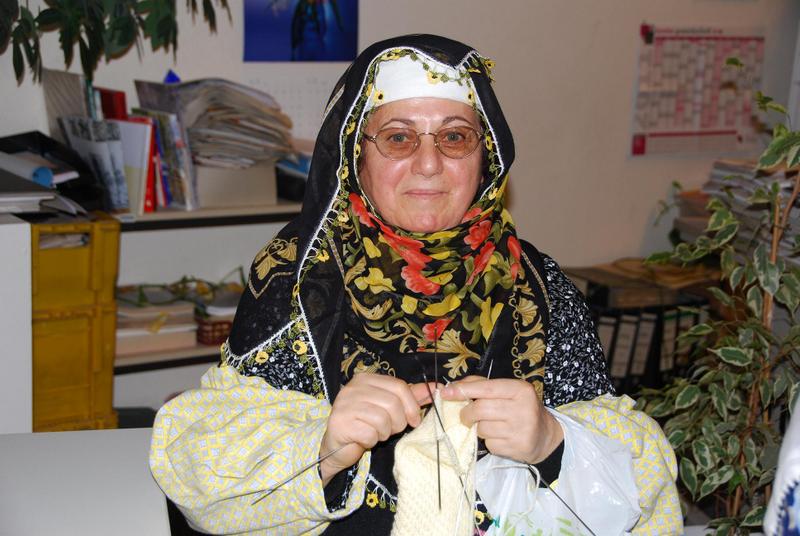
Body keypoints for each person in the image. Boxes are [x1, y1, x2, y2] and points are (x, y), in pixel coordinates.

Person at [150, 34, 681, 535]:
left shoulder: (538, 285)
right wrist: (322, 447)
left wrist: (552, 442)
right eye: (399, 138)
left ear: (485, 156)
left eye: (454, 137)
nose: (429, 164)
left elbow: (640, 475)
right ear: (356, 154)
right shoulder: (298, 279)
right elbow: (202, 469)